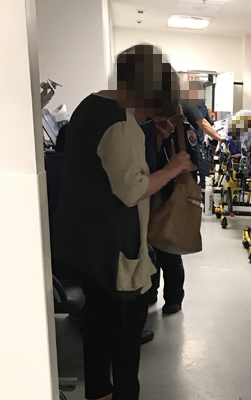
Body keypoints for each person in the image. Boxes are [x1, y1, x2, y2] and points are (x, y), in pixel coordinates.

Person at [52, 44, 194, 400]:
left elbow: (109, 164)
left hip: (85, 243)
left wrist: (150, 136)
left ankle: (98, 392)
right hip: (113, 247)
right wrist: (174, 167)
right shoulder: (120, 122)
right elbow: (133, 189)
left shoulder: (91, 105)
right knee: (126, 337)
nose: (149, 113)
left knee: (97, 326)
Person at [140, 106, 205, 314]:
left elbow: (197, 163)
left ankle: (174, 298)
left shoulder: (183, 129)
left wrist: (176, 168)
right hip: (148, 194)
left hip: (171, 194)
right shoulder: (144, 129)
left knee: (169, 248)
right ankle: (151, 291)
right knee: (149, 246)